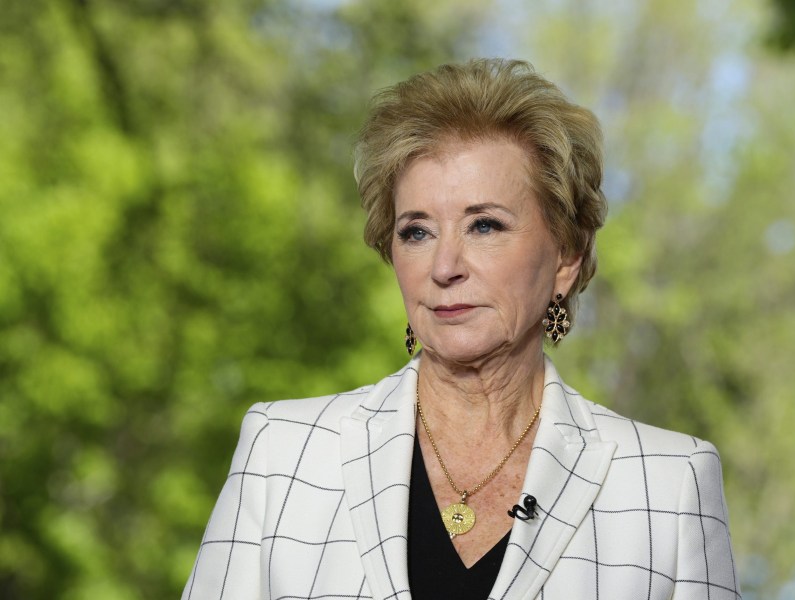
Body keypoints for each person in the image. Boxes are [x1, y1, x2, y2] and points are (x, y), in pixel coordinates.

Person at [182, 59, 739, 600]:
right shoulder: (283, 454)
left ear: (566, 255)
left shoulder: (669, 485)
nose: (444, 266)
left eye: (484, 225)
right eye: (416, 232)